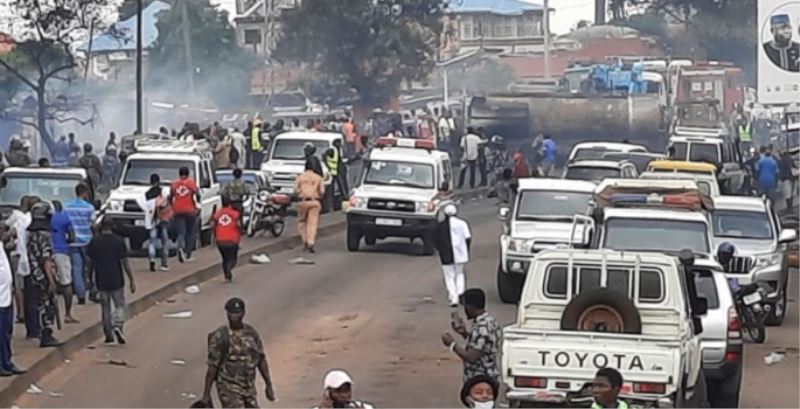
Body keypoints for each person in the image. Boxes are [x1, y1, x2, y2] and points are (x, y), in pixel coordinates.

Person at [201, 298, 276, 408]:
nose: (234, 316)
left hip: (248, 388)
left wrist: (268, 384)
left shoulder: (251, 333)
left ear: (243, 313)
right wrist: (206, 393)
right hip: (228, 387)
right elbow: (213, 366)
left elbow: (260, 360)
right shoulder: (221, 336)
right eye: (231, 313)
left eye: (237, 313)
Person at [86, 219, 134, 345]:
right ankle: (118, 325)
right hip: (116, 278)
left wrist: (88, 278)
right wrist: (131, 279)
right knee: (119, 305)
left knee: (105, 308)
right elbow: (125, 262)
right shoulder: (118, 240)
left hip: (101, 278)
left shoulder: (95, 241)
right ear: (112, 227)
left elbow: (89, 263)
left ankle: (108, 336)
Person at [441, 288, 501, 382]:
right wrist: (464, 333)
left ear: (470, 306)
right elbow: (481, 345)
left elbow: (472, 357)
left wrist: (452, 344)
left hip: (480, 379)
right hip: (487, 376)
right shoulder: (489, 321)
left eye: (465, 305)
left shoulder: (482, 327)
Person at [26, 201, 62, 347]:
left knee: (37, 304)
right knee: (47, 306)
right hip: (44, 277)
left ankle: (40, 332)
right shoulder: (45, 236)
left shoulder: (30, 235)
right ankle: (46, 335)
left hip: (33, 275)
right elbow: (47, 260)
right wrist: (52, 280)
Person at [0, 221, 27, 376]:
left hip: (6, 297)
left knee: (7, 333)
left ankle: (7, 362)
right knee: (1, 335)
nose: (5, 233)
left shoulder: (2, 247)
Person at [433, 203, 472, 307]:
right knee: (460, 274)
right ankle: (461, 294)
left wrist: (440, 250)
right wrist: (466, 250)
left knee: (449, 276)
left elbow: (436, 241)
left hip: (445, 254)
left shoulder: (439, 226)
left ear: (445, 214)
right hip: (461, 253)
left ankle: (453, 297)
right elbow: (468, 238)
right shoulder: (462, 223)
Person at [64, 184, 96, 305]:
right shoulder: (89, 208)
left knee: (76, 269)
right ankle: (92, 291)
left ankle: (81, 296)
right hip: (87, 241)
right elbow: (93, 224)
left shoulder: (67, 207)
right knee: (89, 268)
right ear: (85, 193)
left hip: (73, 242)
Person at [50, 200, 78, 324]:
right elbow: (72, 237)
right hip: (61, 251)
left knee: (48, 283)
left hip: (47, 252)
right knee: (66, 283)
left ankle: (50, 315)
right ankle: (67, 314)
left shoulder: (46, 218)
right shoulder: (65, 218)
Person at [137, 174, 171, 272]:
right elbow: (167, 203)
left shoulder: (146, 194)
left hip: (151, 220)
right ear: (159, 181)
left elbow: (143, 207)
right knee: (165, 241)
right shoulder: (163, 192)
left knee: (152, 241)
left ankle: (152, 259)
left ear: (150, 182)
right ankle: (164, 263)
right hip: (163, 219)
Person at [294, 160, 325, 253]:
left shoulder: (300, 177)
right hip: (314, 202)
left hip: (303, 201)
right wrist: (318, 196)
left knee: (302, 222)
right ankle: (311, 242)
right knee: (312, 223)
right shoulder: (318, 178)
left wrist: (301, 193)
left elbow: (295, 190)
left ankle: (305, 241)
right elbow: (322, 191)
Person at [171, 166, 200, 263]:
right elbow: (197, 194)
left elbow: (170, 196)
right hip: (190, 210)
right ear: (188, 174)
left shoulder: (174, 183)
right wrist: (197, 205)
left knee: (181, 232)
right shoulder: (191, 182)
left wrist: (172, 207)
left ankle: (180, 248)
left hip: (177, 210)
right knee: (191, 232)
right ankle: (188, 254)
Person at [212, 198, 242, 282]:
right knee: (233, 259)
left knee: (224, 259)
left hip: (220, 240)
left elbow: (213, 225)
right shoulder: (235, 214)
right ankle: (229, 269)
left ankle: (227, 277)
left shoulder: (218, 214)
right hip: (232, 240)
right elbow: (239, 225)